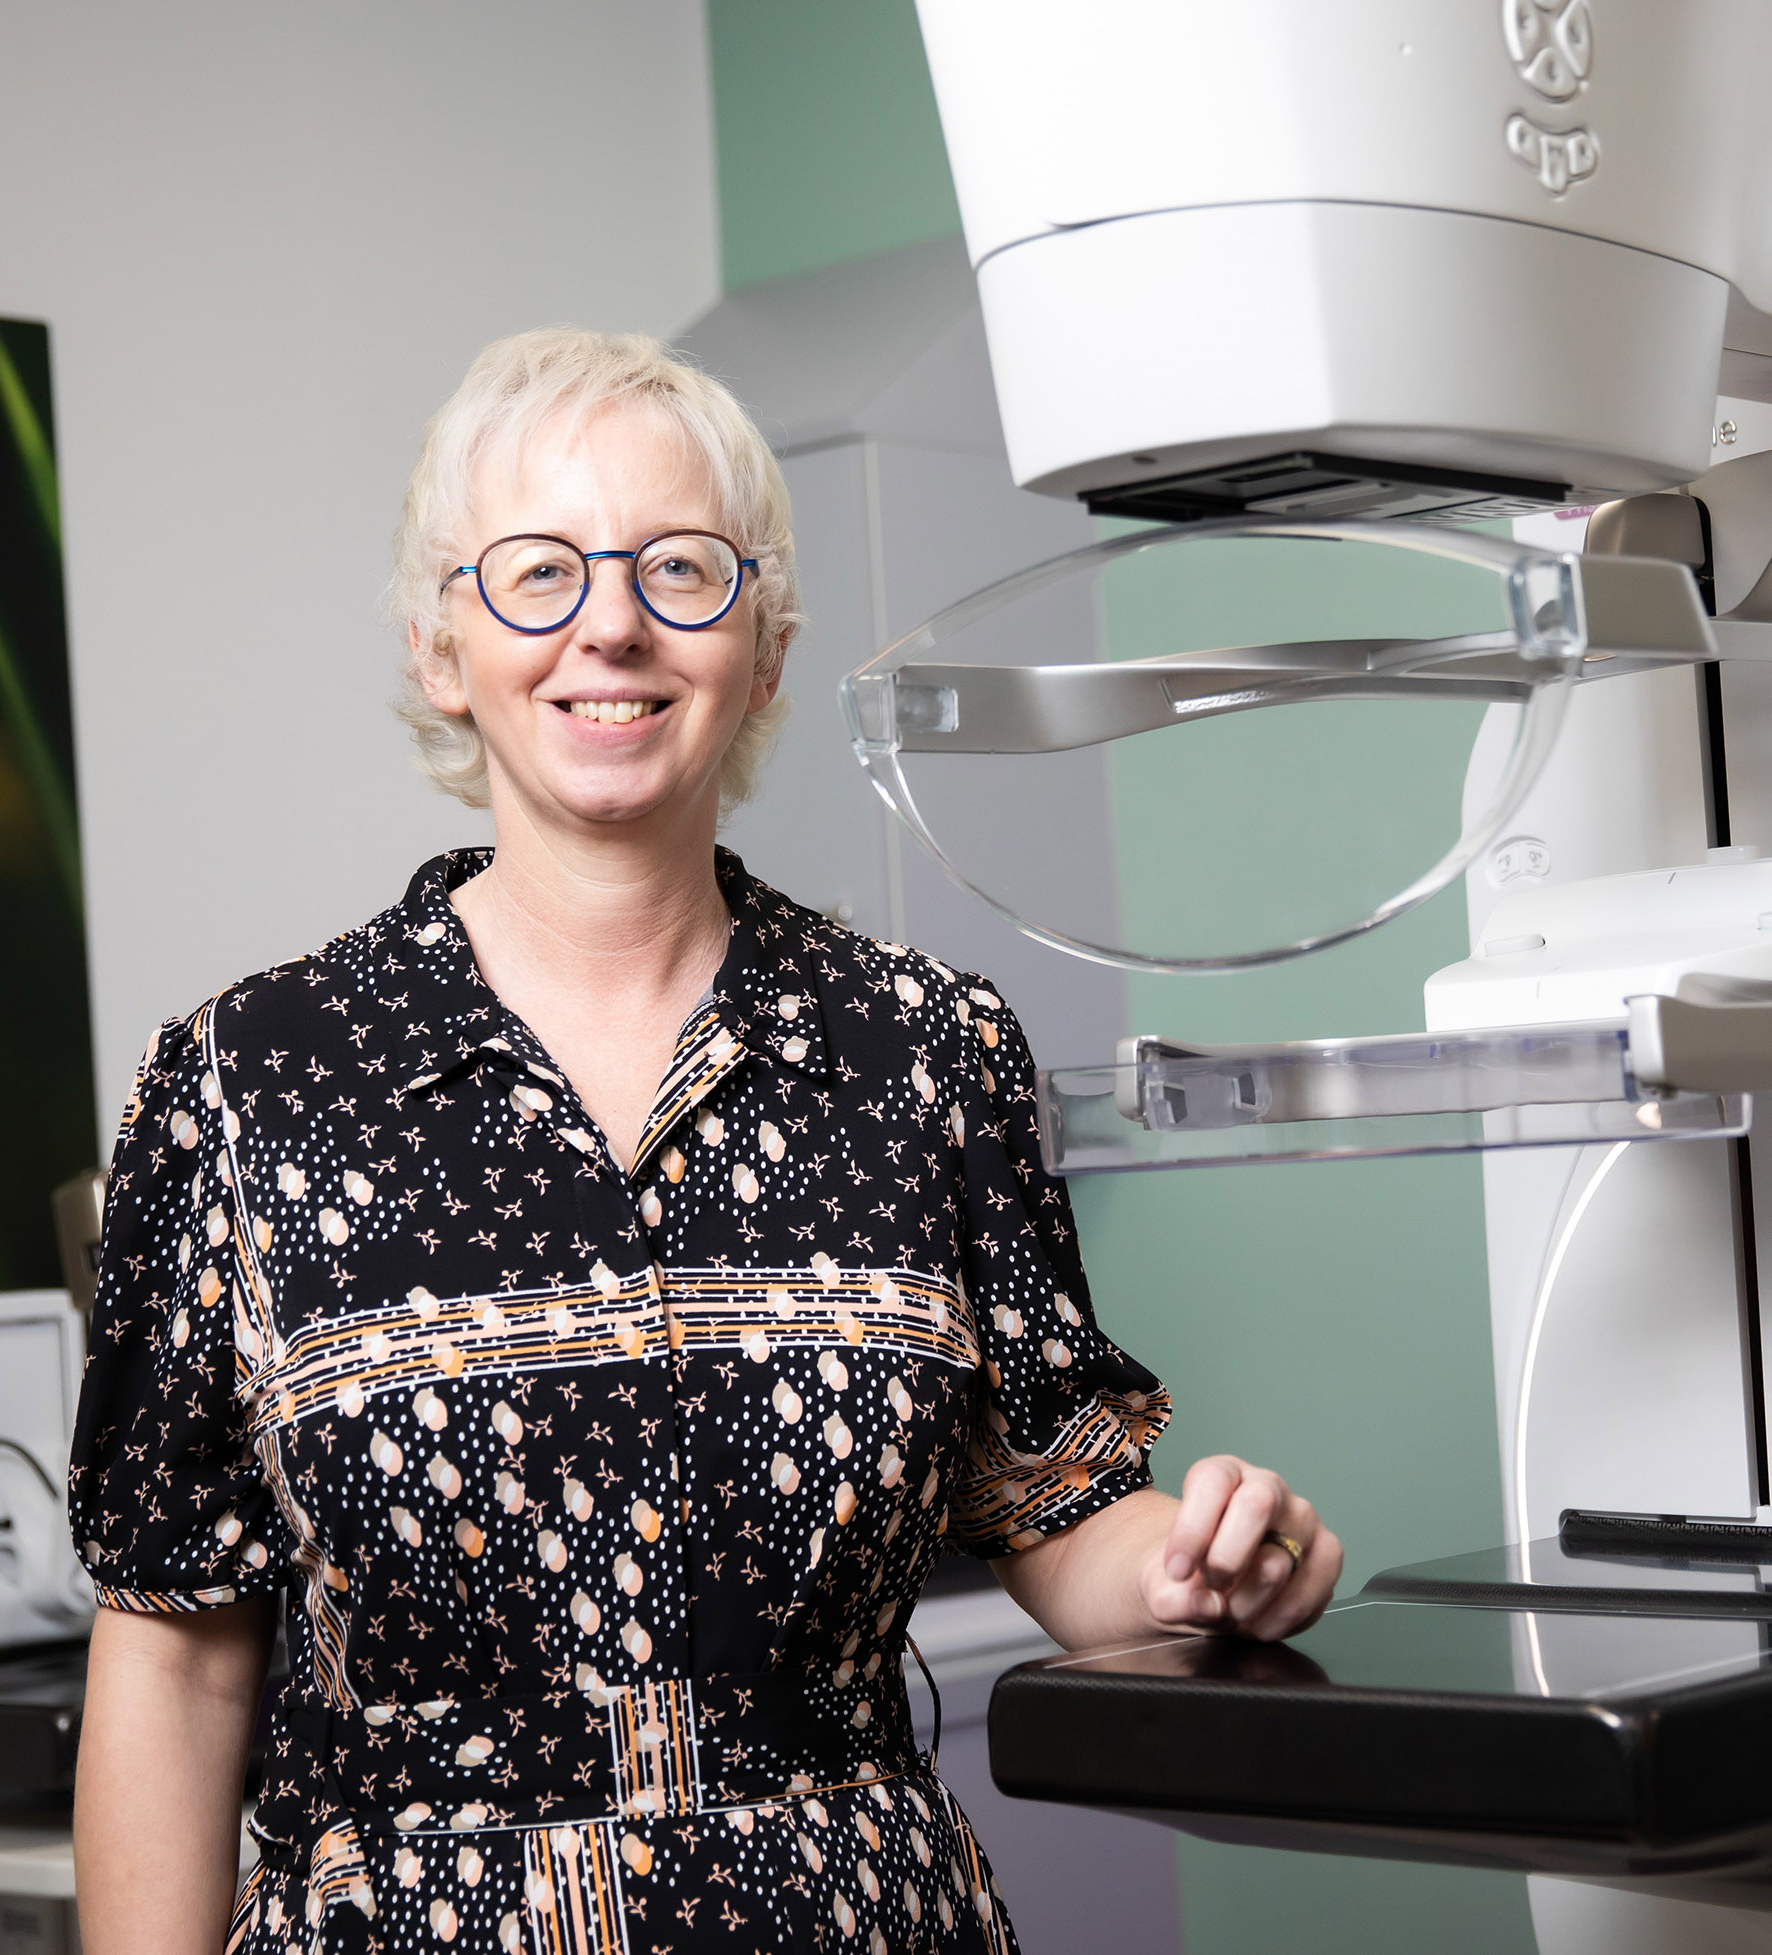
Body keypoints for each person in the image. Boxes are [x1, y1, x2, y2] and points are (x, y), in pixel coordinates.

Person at [67, 328, 1343, 1955]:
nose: (610, 623)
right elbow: (174, 1658)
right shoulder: (247, 1081)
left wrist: (1210, 1573)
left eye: (678, 568)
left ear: (766, 646)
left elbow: (1063, 1512)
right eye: (539, 571)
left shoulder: (926, 1050)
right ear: (441, 645)